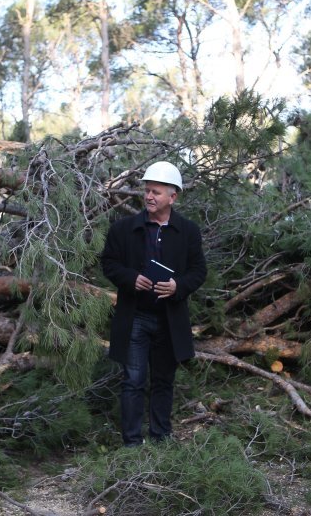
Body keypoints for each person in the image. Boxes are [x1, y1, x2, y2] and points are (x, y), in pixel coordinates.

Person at [101, 161, 207, 446]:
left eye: (156, 192)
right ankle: (132, 444)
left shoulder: (188, 231)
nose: (149, 196)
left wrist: (177, 287)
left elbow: (199, 271)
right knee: (133, 381)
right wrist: (130, 278)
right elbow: (108, 263)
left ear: (173, 197)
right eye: (147, 191)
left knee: (163, 381)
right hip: (135, 316)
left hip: (169, 319)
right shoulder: (123, 230)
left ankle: (161, 439)